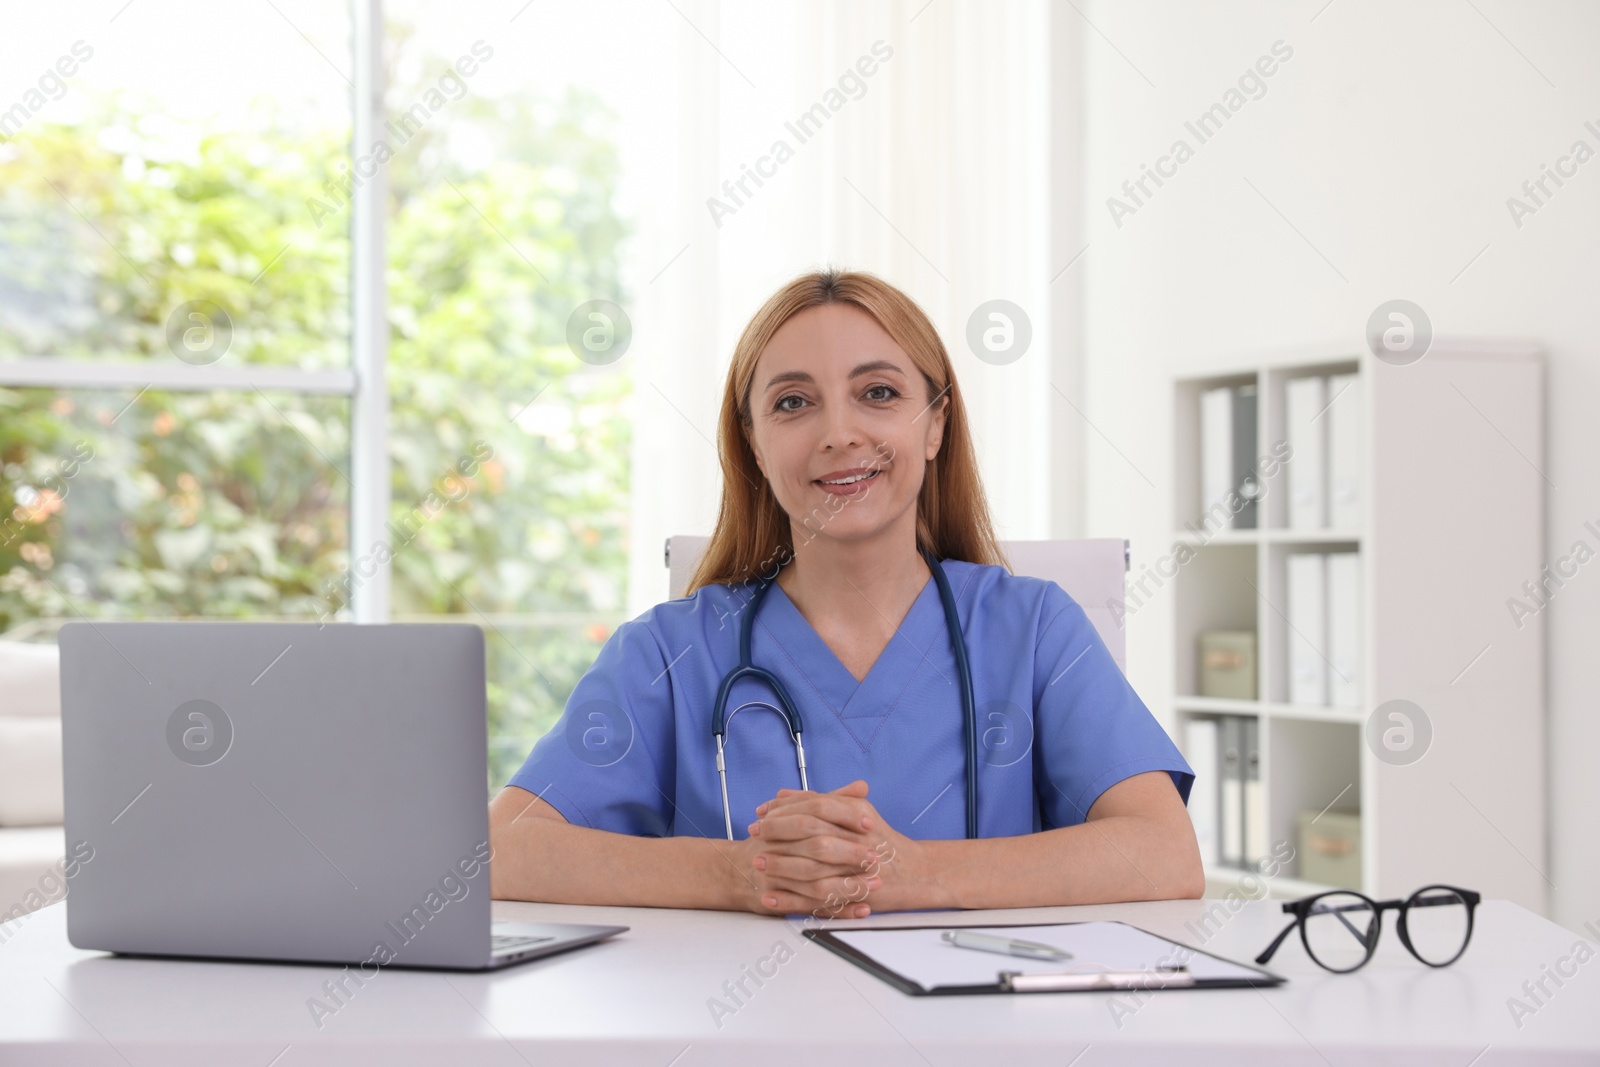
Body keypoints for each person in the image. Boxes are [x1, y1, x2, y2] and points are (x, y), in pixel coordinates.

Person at [490, 268, 1202, 918]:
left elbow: (1166, 853)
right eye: (793, 402)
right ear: (755, 444)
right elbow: (498, 850)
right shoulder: (667, 652)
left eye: (879, 393)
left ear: (936, 424)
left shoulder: (1035, 627)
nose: (839, 432)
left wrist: (917, 874)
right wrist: (742, 874)